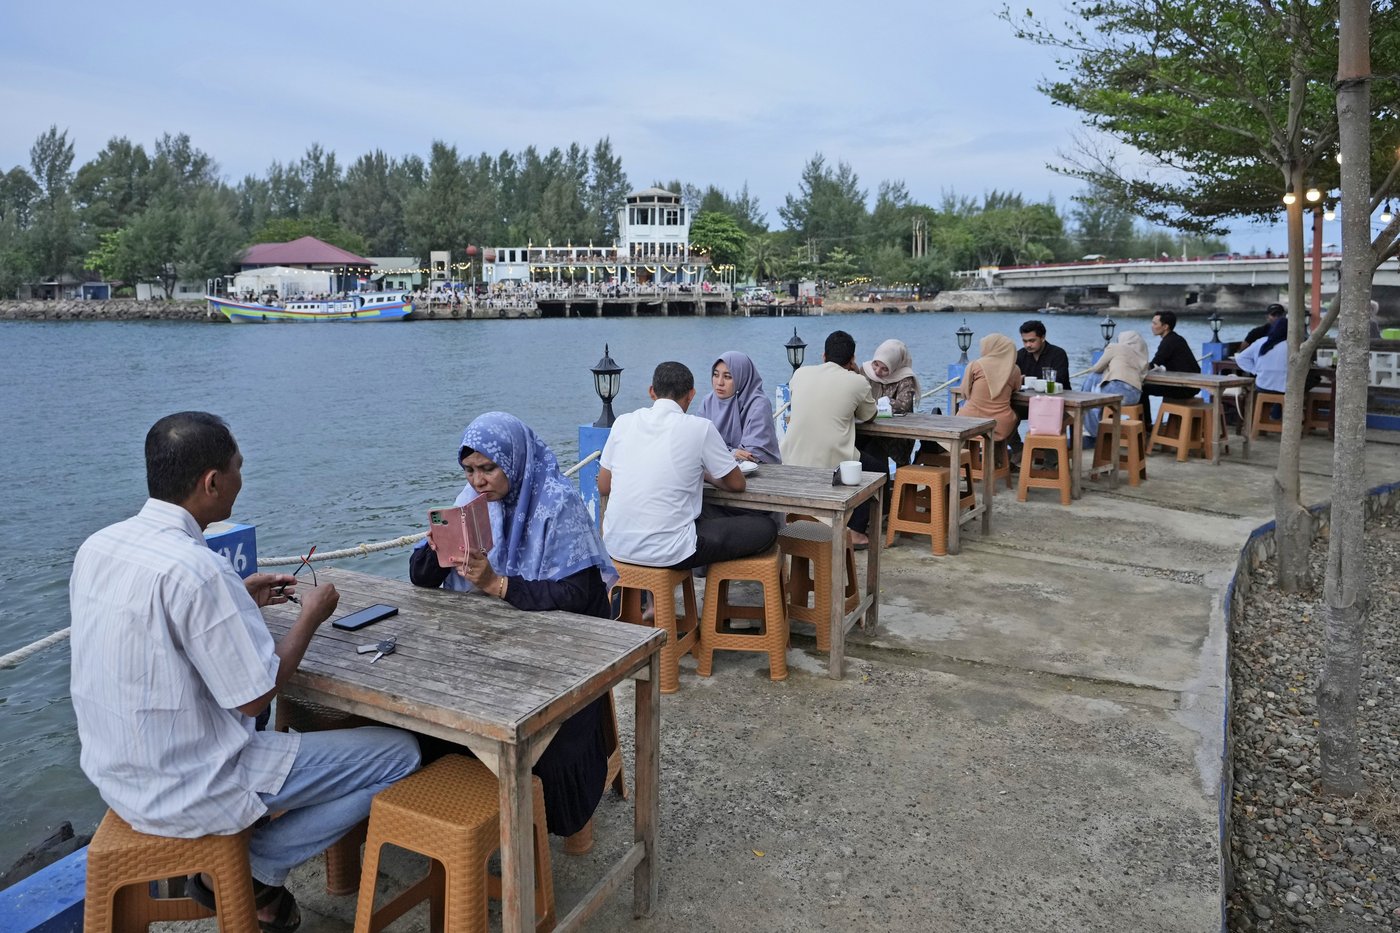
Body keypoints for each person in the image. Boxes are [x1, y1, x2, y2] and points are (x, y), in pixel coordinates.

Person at [70, 412, 421, 933]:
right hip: (195, 783)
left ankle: (253, 866)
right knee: (402, 753)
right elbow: (255, 698)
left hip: (120, 778)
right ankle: (261, 868)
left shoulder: (98, 547)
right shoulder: (199, 569)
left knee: (325, 740)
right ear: (212, 482)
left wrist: (242, 606)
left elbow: (161, 649)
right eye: (238, 468)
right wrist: (310, 615)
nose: (241, 479)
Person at [408, 412, 616, 852]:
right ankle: (466, 814)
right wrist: (435, 545)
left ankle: (559, 821)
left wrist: (498, 585)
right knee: (431, 717)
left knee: (551, 749)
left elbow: (580, 592)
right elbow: (421, 579)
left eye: (488, 469)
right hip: (492, 643)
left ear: (514, 461)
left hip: (561, 652)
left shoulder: (556, 503)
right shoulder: (469, 503)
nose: (479, 480)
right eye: (470, 470)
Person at [599, 362, 776, 569]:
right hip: (670, 552)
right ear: (691, 394)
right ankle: (710, 591)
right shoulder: (699, 428)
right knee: (766, 527)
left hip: (616, 546)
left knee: (703, 512)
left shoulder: (623, 422)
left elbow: (603, 487)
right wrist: (706, 474)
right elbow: (738, 484)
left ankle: (646, 597)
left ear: (651, 391)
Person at [779, 330, 882, 548]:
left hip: (790, 458)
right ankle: (855, 531)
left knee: (862, 456)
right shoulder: (857, 382)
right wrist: (856, 375)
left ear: (823, 355)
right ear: (852, 360)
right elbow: (869, 415)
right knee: (875, 469)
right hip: (831, 467)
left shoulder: (800, 374)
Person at [696, 351, 782, 464]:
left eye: (727, 377)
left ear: (742, 377)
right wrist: (731, 452)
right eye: (716, 375)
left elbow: (751, 454)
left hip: (760, 473)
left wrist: (718, 451)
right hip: (716, 471)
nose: (719, 382)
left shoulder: (758, 404)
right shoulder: (708, 402)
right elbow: (697, 442)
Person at [859, 338, 921, 467]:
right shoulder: (866, 371)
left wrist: (881, 402)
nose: (877, 372)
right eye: (875, 364)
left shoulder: (905, 377)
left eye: (884, 369)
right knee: (858, 444)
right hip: (868, 428)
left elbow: (904, 405)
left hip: (896, 434)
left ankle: (883, 484)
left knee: (874, 449)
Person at [1079, 331, 1150, 442]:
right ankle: (1100, 428)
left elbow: (1097, 368)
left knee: (1093, 379)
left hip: (1118, 391)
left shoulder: (1115, 347)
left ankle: (1095, 434)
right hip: (1135, 397)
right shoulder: (1141, 355)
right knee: (1096, 391)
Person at [957, 333, 1022, 445]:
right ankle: (1003, 455)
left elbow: (964, 392)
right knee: (1016, 415)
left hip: (968, 422)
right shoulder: (1014, 369)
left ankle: (967, 456)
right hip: (1000, 426)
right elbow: (1016, 389)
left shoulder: (975, 365)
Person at [1142, 310, 1201, 421]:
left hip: (1184, 387)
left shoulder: (1168, 341)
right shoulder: (1176, 338)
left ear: (1165, 327)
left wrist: (1134, 369)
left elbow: (1154, 364)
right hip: (1191, 385)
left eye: (1155, 323)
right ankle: (1147, 424)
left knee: (1141, 388)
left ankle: (1146, 425)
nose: (1152, 326)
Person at [1233, 316, 1288, 394]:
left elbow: (1241, 358)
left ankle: (1273, 405)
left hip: (1263, 386)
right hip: (1284, 389)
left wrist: (1255, 370)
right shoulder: (1291, 345)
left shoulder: (1261, 342)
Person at [1014, 320, 1071, 387]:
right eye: (1025, 341)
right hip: (1026, 396)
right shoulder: (1020, 354)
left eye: (1032, 341)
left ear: (1043, 338)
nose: (1028, 345)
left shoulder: (1058, 354)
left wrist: (1024, 380)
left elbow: (1058, 381)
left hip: (1057, 396)